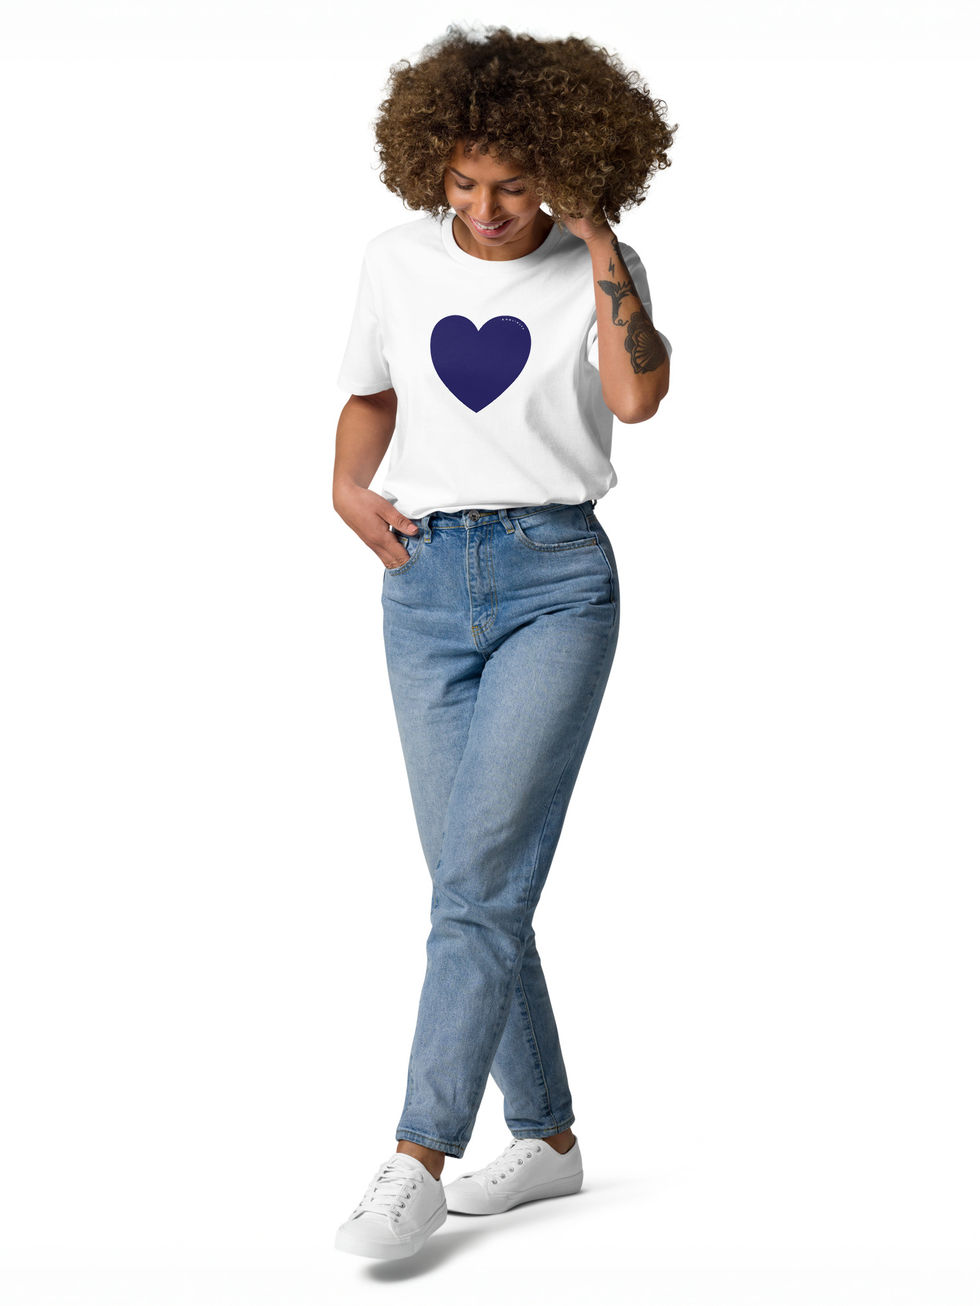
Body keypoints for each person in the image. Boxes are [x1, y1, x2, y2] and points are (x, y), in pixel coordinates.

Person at [332, 24, 675, 1260]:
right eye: (464, 182)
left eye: (516, 184)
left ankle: (416, 1152)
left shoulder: (601, 259)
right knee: (473, 887)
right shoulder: (393, 259)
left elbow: (635, 399)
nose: (483, 209)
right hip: (423, 586)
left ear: (570, 169)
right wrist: (345, 487)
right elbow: (371, 391)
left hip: (553, 581)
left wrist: (594, 244)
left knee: (475, 887)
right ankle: (548, 1137)